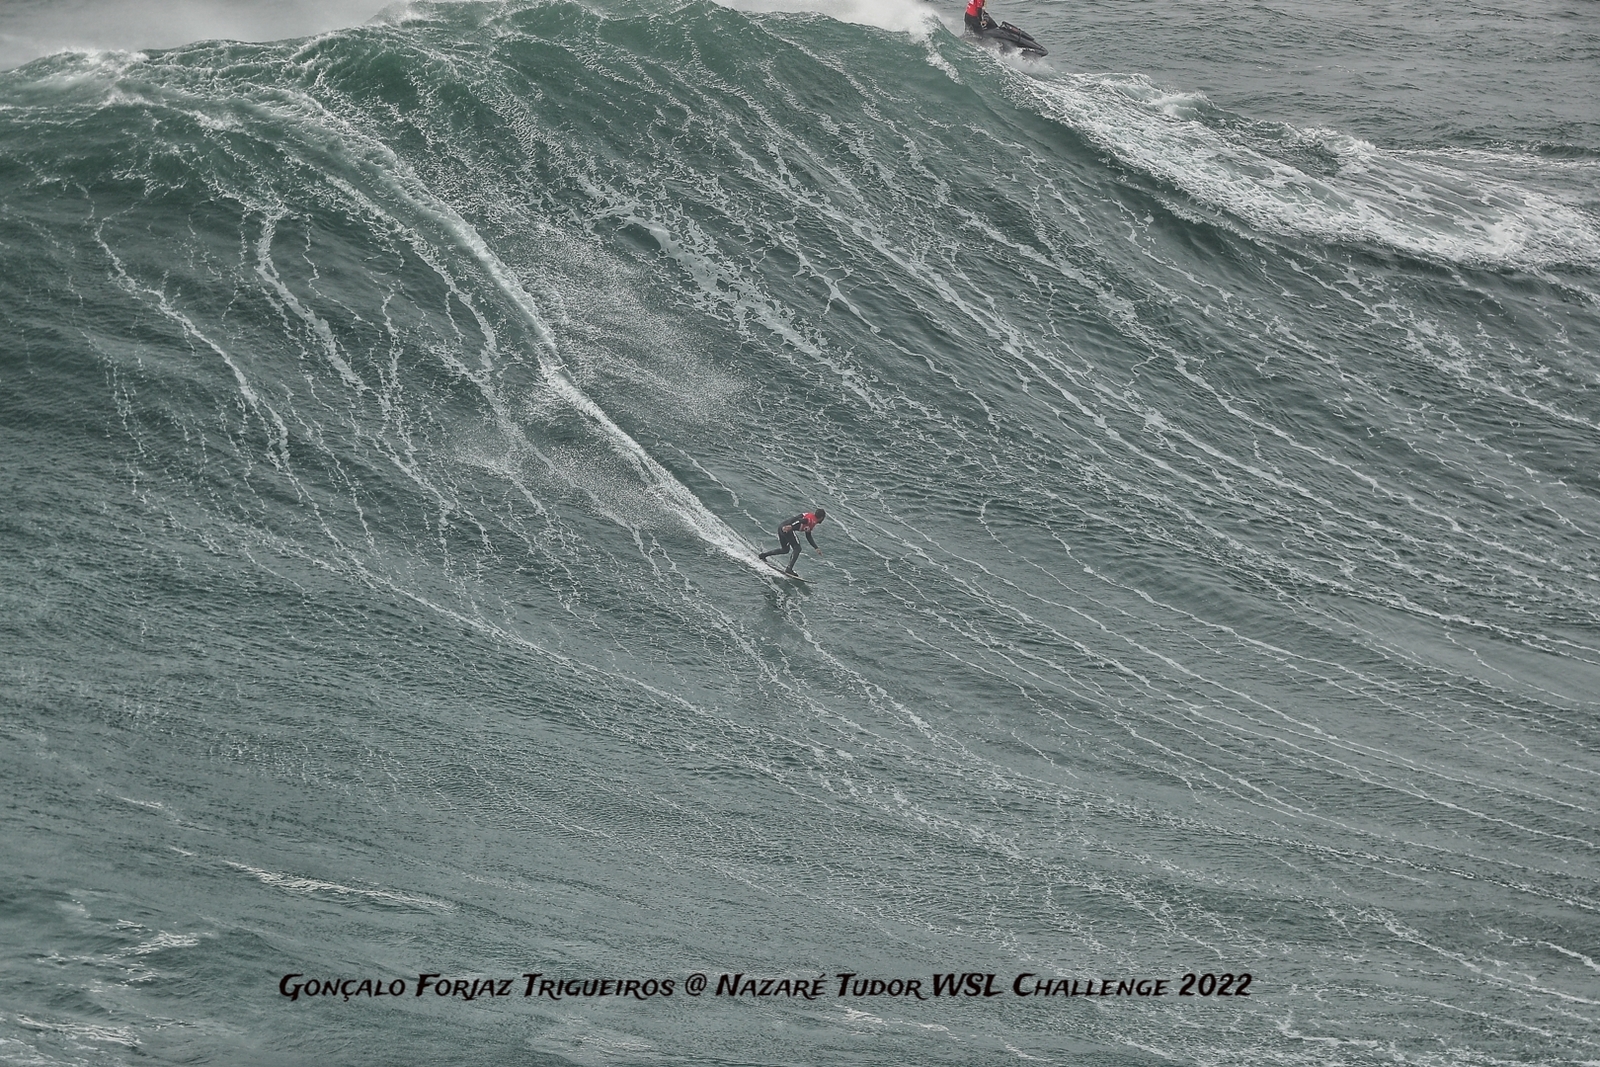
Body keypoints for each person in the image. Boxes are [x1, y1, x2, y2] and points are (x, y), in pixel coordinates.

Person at [759, 507, 826, 575]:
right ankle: (789, 569)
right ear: (821, 517)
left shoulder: (811, 518)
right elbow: (801, 520)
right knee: (797, 548)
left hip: (782, 528)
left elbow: (808, 536)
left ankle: (763, 555)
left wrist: (816, 548)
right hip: (787, 529)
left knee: (785, 550)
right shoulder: (812, 520)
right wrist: (791, 526)